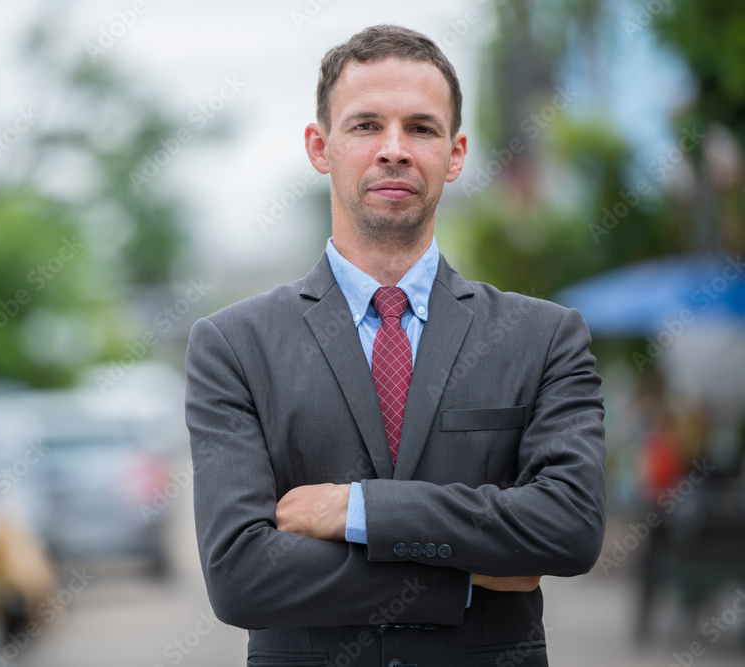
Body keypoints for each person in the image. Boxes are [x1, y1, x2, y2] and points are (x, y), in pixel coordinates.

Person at [184, 25, 606, 667]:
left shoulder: (544, 339)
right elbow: (241, 577)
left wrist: (358, 509)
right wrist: (464, 576)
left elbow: (570, 529)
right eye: (365, 125)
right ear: (319, 146)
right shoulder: (234, 347)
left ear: (456, 154)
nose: (394, 149)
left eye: (422, 128)